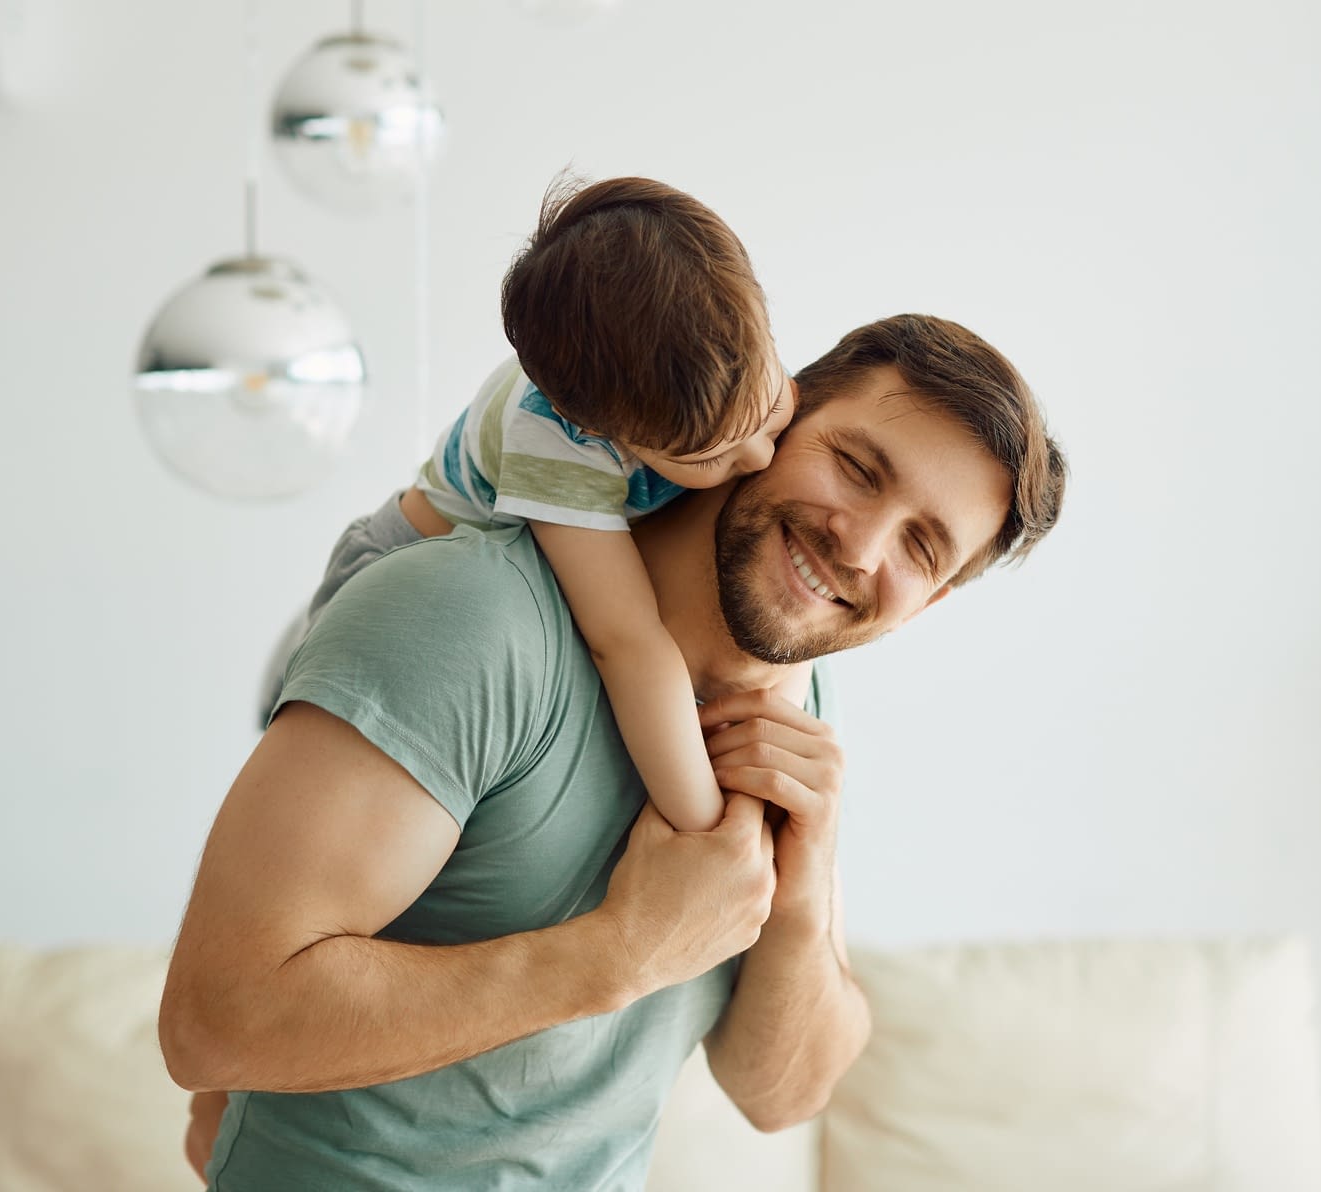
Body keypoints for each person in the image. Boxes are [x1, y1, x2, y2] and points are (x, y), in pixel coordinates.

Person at [160, 314, 1067, 1189]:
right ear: (779, 417)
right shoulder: (469, 618)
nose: (860, 546)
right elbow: (217, 1022)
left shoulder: (796, 708)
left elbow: (782, 1093)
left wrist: (798, 889)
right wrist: (622, 951)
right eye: (858, 468)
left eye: (920, 545)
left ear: (932, 599)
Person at [261, 174, 793, 835]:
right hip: (395, 578)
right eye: (706, 457)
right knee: (322, 789)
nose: (760, 459)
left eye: (771, 410)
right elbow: (626, 643)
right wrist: (708, 828)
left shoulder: (725, 354)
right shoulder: (556, 438)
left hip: (509, 581)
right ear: (601, 430)